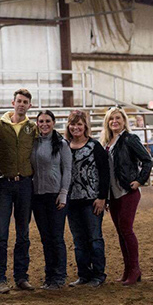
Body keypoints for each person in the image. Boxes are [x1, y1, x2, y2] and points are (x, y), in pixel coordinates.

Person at [0, 88, 37, 293]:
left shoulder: (32, 128)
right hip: (4, 184)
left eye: (25, 102)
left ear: (29, 106)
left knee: (23, 233)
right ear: (12, 102)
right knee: (1, 233)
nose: (21, 104)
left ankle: (21, 276)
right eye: (19, 101)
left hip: (25, 183)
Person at [100, 106, 153, 286]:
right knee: (121, 232)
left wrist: (139, 180)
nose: (114, 121)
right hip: (113, 193)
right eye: (111, 119)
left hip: (127, 191)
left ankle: (135, 268)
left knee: (126, 229)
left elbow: (147, 160)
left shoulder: (130, 139)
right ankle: (128, 268)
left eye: (118, 118)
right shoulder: (107, 143)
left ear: (124, 121)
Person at [66, 110, 110, 288]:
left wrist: (102, 198)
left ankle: (98, 274)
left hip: (91, 200)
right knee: (78, 240)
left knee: (94, 237)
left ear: (85, 126)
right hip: (72, 201)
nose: (76, 127)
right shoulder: (65, 146)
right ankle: (83, 274)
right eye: (73, 124)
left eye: (79, 124)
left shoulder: (94, 146)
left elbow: (104, 172)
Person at [31, 110, 72, 290]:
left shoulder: (62, 144)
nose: (44, 124)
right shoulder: (33, 143)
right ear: (37, 123)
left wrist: (63, 193)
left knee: (56, 237)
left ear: (53, 123)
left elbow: (68, 170)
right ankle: (49, 274)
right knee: (45, 238)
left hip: (56, 196)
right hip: (38, 196)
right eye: (41, 121)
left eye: (48, 121)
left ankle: (59, 275)